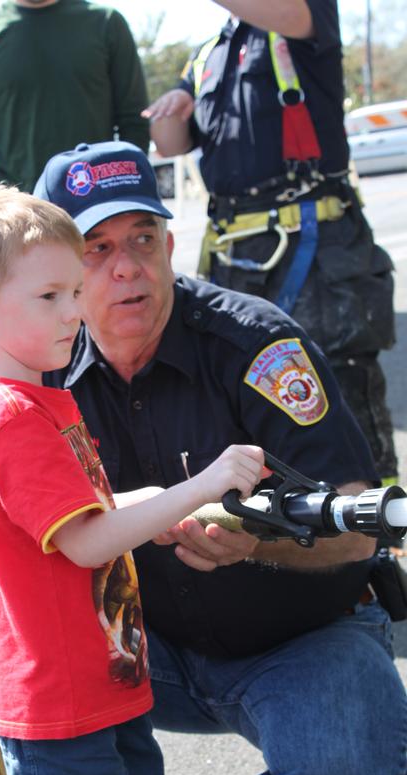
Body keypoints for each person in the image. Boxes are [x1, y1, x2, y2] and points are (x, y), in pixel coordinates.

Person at [0, 141, 407, 775]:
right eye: (95, 251)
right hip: (133, 647)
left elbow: (362, 530)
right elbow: (71, 537)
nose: (125, 270)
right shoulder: (38, 369)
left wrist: (258, 546)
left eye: (143, 240)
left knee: (348, 771)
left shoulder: (257, 348)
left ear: (169, 241)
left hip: (287, 644)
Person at [0, 183, 266, 775]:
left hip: (97, 678)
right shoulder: (11, 414)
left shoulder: (41, 400)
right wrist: (203, 482)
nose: (74, 312)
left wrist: (157, 501)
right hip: (61, 697)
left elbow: (93, 505)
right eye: (51, 294)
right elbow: (87, 543)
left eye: (73, 292)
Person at [142, 0, 398, 484]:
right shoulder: (209, 53)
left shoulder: (301, 15)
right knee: (246, 389)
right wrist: (169, 113)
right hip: (238, 249)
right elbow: (171, 144)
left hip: (313, 242)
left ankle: (378, 532)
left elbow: (286, 13)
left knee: (339, 384)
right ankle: (278, 525)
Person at [0, 0, 149, 194]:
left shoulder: (106, 23)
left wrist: (123, 195)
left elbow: (135, 122)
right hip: (21, 212)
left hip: (99, 209)